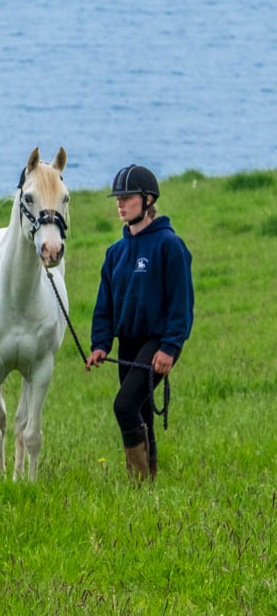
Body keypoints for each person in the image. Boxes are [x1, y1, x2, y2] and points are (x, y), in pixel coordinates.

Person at [85, 165, 194, 482]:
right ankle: (149, 486)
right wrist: (100, 344)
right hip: (127, 342)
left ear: (147, 200)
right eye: (117, 198)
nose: (120, 203)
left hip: (156, 343)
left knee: (124, 406)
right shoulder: (115, 252)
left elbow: (181, 303)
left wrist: (170, 348)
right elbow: (104, 305)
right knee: (141, 409)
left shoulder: (169, 245)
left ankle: (137, 481)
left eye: (127, 197)